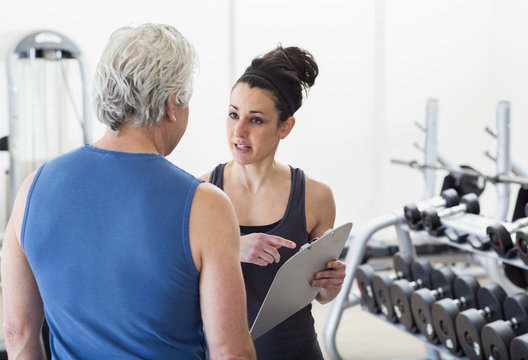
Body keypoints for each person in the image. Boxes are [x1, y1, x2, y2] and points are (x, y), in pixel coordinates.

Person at [1, 23, 255, 360]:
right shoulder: (206, 206)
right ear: (171, 105)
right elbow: (230, 353)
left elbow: (18, 334)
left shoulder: (31, 189)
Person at [201, 45, 346, 359]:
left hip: (295, 351)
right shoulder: (199, 191)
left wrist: (330, 283)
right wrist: (231, 248)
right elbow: (175, 275)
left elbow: (321, 295)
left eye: (255, 121)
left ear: (285, 127)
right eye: (233, 114)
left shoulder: (316, 197)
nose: (238, 132)